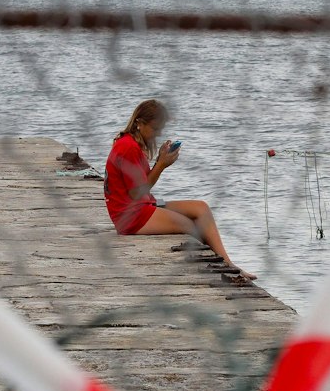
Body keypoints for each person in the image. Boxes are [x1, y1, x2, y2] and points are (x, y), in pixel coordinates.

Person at [104, 99, 246, 279]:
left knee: (201, 208)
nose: (157, 134)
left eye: (160, 130)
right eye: (155, 129)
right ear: (139, 123)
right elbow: (136, 192)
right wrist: (161, 165)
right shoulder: (128, 147)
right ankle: (220, 265)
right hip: (131, 215)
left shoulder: (131, 143)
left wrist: (158, 162)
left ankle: (228, 262)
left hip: (142, 205)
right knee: (188, 224)